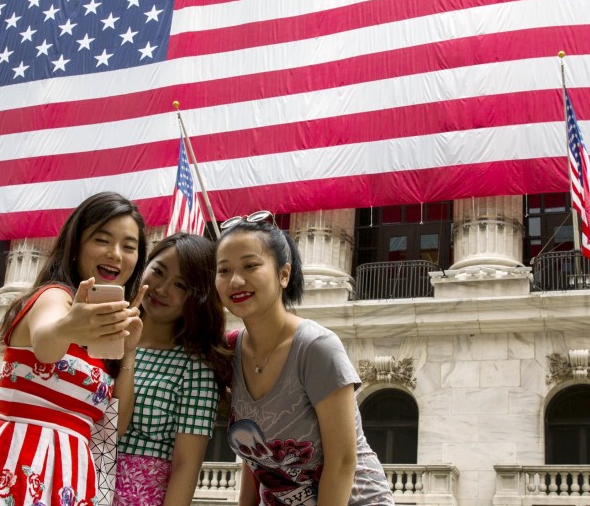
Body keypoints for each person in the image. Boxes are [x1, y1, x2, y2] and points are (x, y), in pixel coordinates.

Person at [0, 192, 148, 506]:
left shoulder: (105, 330)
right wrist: (70, 327)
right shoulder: (54, 296)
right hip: (16, 467)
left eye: (129, 247)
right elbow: (47, 345)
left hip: (70, 477)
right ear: (75, 246)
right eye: (102, 239)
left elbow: (114, 429)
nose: (116, 254)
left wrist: (128, 352)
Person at [214, 212, 394, 506]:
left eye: (250, 265)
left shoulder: (317, 347)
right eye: (224, 270)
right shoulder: (229, 350)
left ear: (284, 274)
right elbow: (257, 454)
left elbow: (343, 461)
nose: (235, 280)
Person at [114, 232, 232, 506]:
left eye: (180, 285)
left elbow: (185, 467)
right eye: (158, 271)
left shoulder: (196, 367)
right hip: (76, 482)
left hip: (140, 497)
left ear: (198, 296)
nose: (162, 289)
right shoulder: (101, 339)